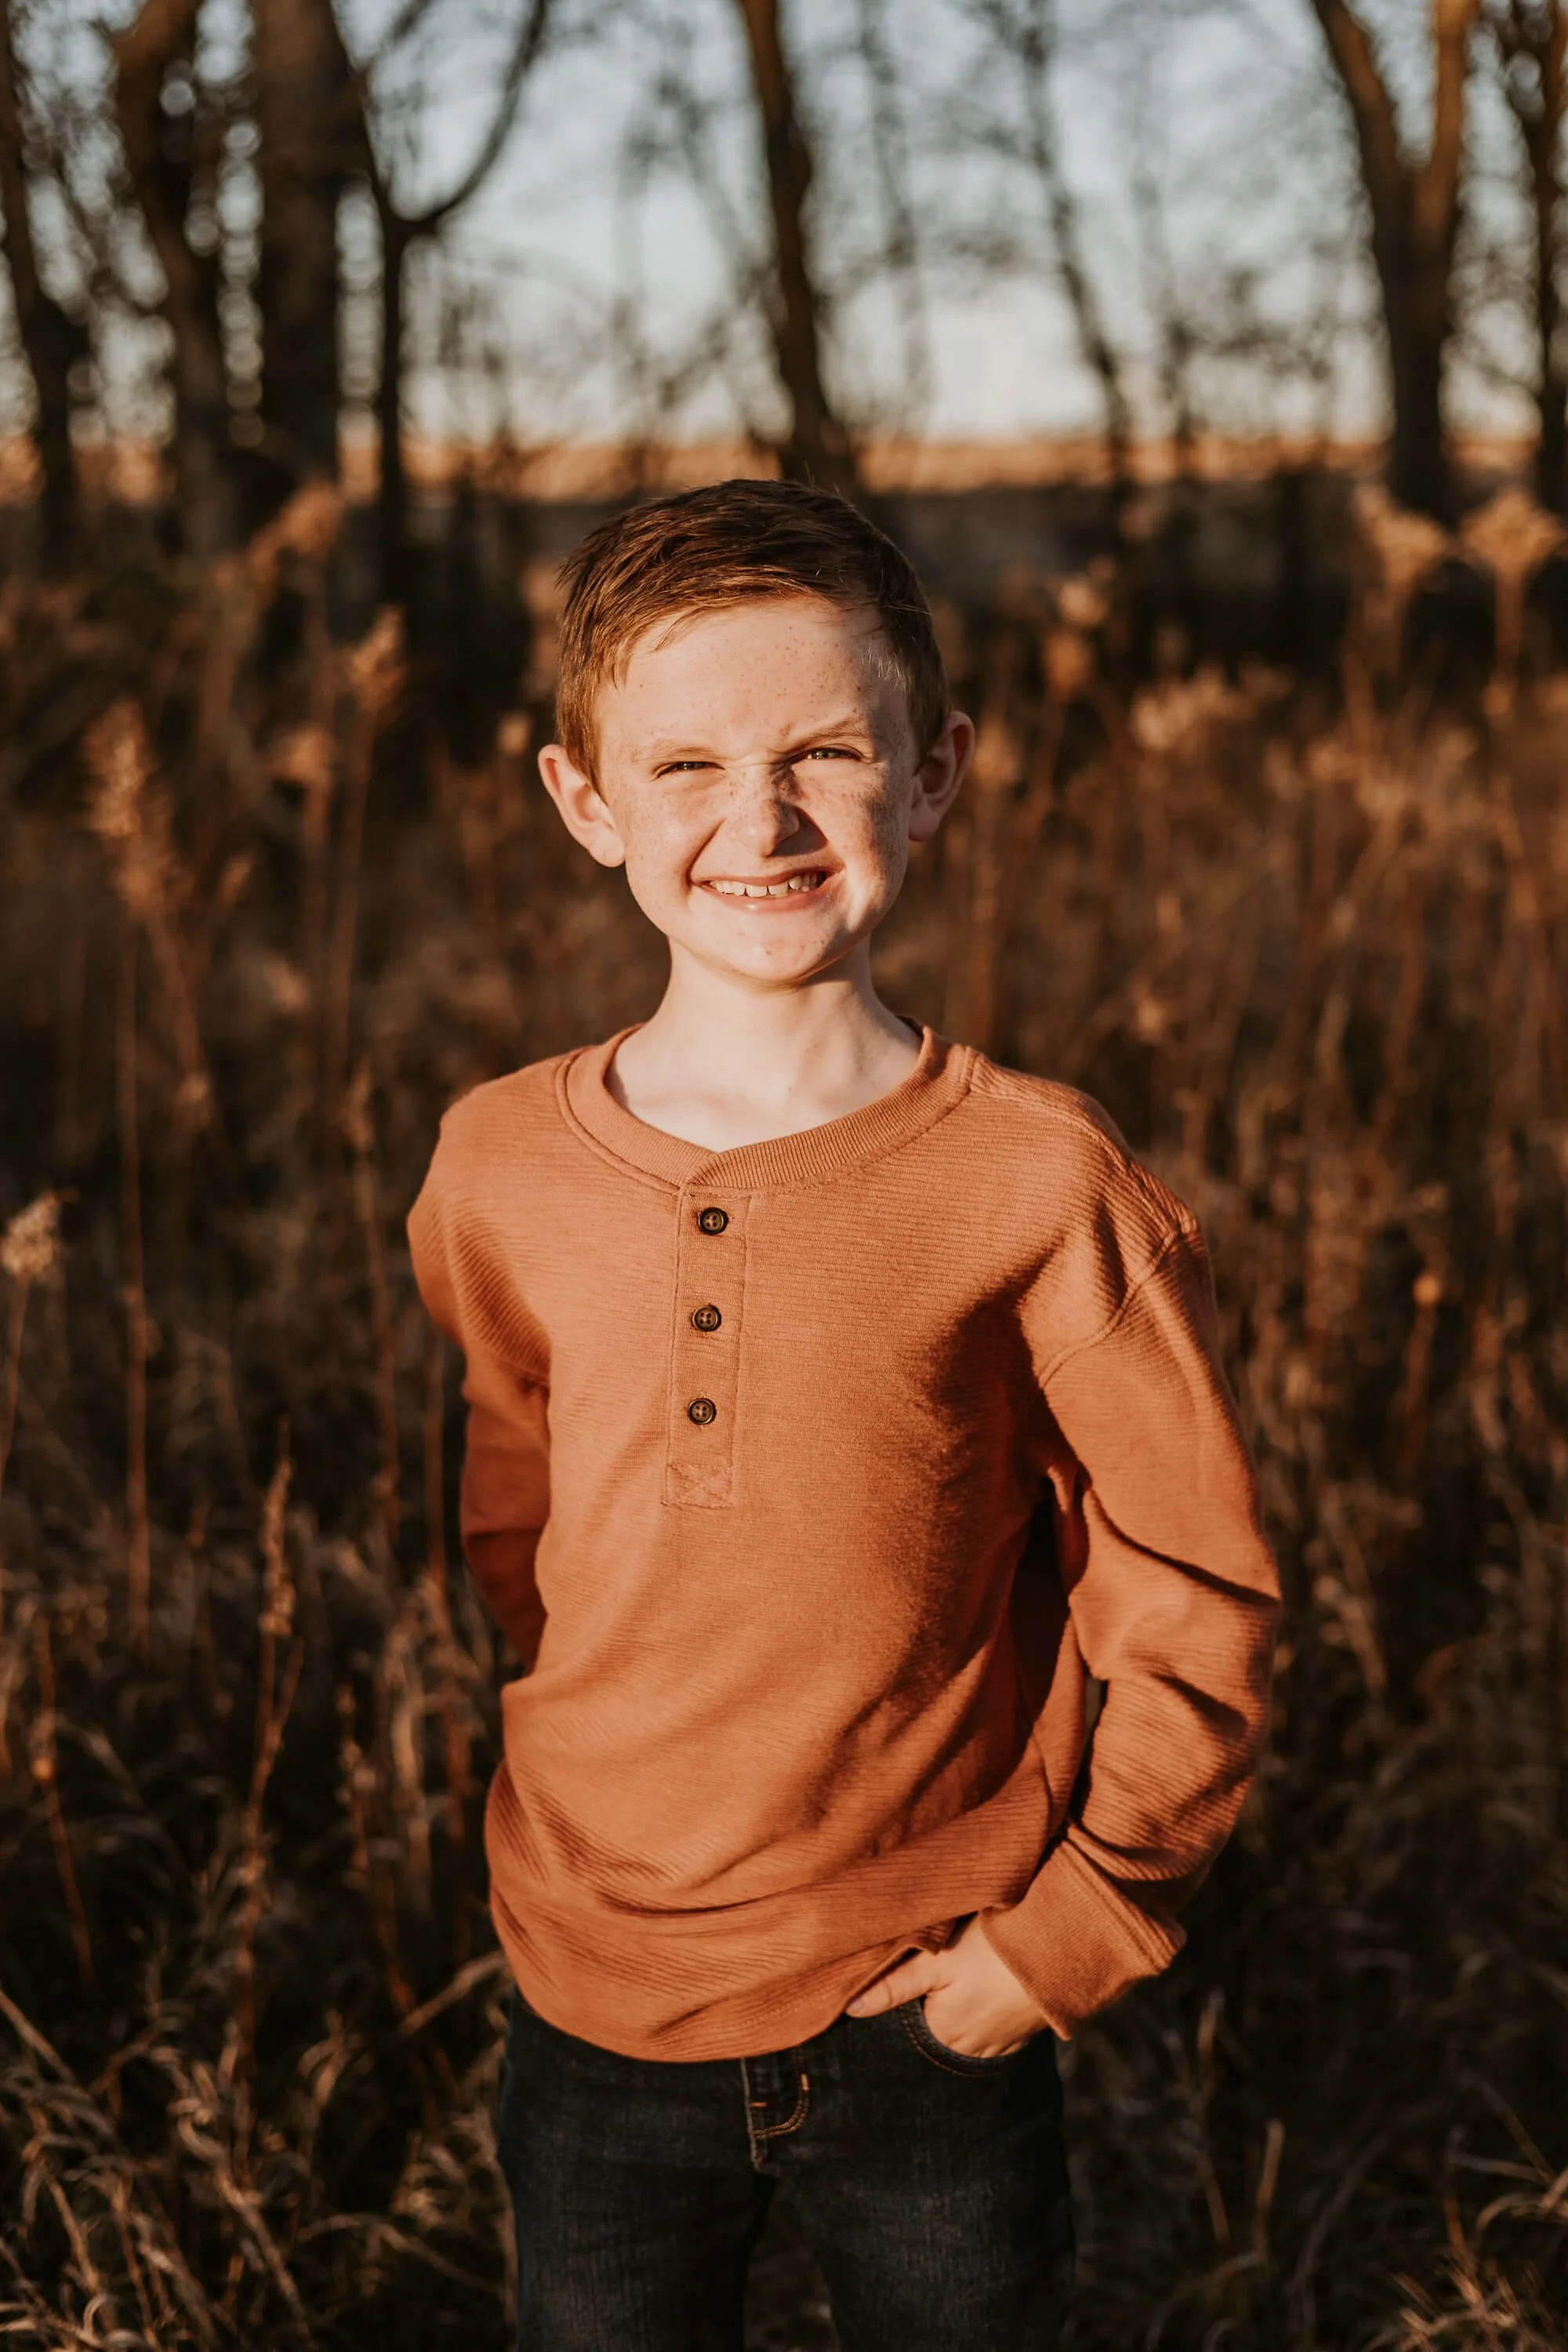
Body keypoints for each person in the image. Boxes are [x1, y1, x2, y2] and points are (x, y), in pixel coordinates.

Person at [407, 478, 1279, 2351]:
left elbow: (1191, 1593)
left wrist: (1052, 1946)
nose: (760, 818)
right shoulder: (496, 1163)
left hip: (931, 2013)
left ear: (936, 770)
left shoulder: (1040, 1185)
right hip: (596, 1996)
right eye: (688, 765)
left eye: (824, 751)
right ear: (584, 805)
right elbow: (516, 1504)